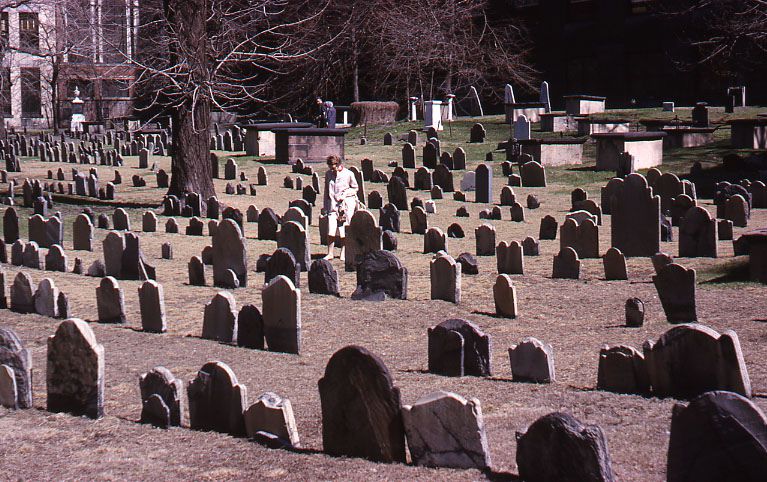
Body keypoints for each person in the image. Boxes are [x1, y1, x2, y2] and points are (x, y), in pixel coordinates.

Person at [323, 155, 359, 261]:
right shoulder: (328, 174)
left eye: (333, 167)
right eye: (330, 167)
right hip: (332, 205)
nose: (331, 170)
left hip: (345, 206)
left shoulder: (348, 174)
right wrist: (325, 206)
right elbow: (326, 191)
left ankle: (343, 252)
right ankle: (330, 253)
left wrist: (345, 194)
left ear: (339, 165)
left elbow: (355, 188)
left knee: (343, 230)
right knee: (331, 230)